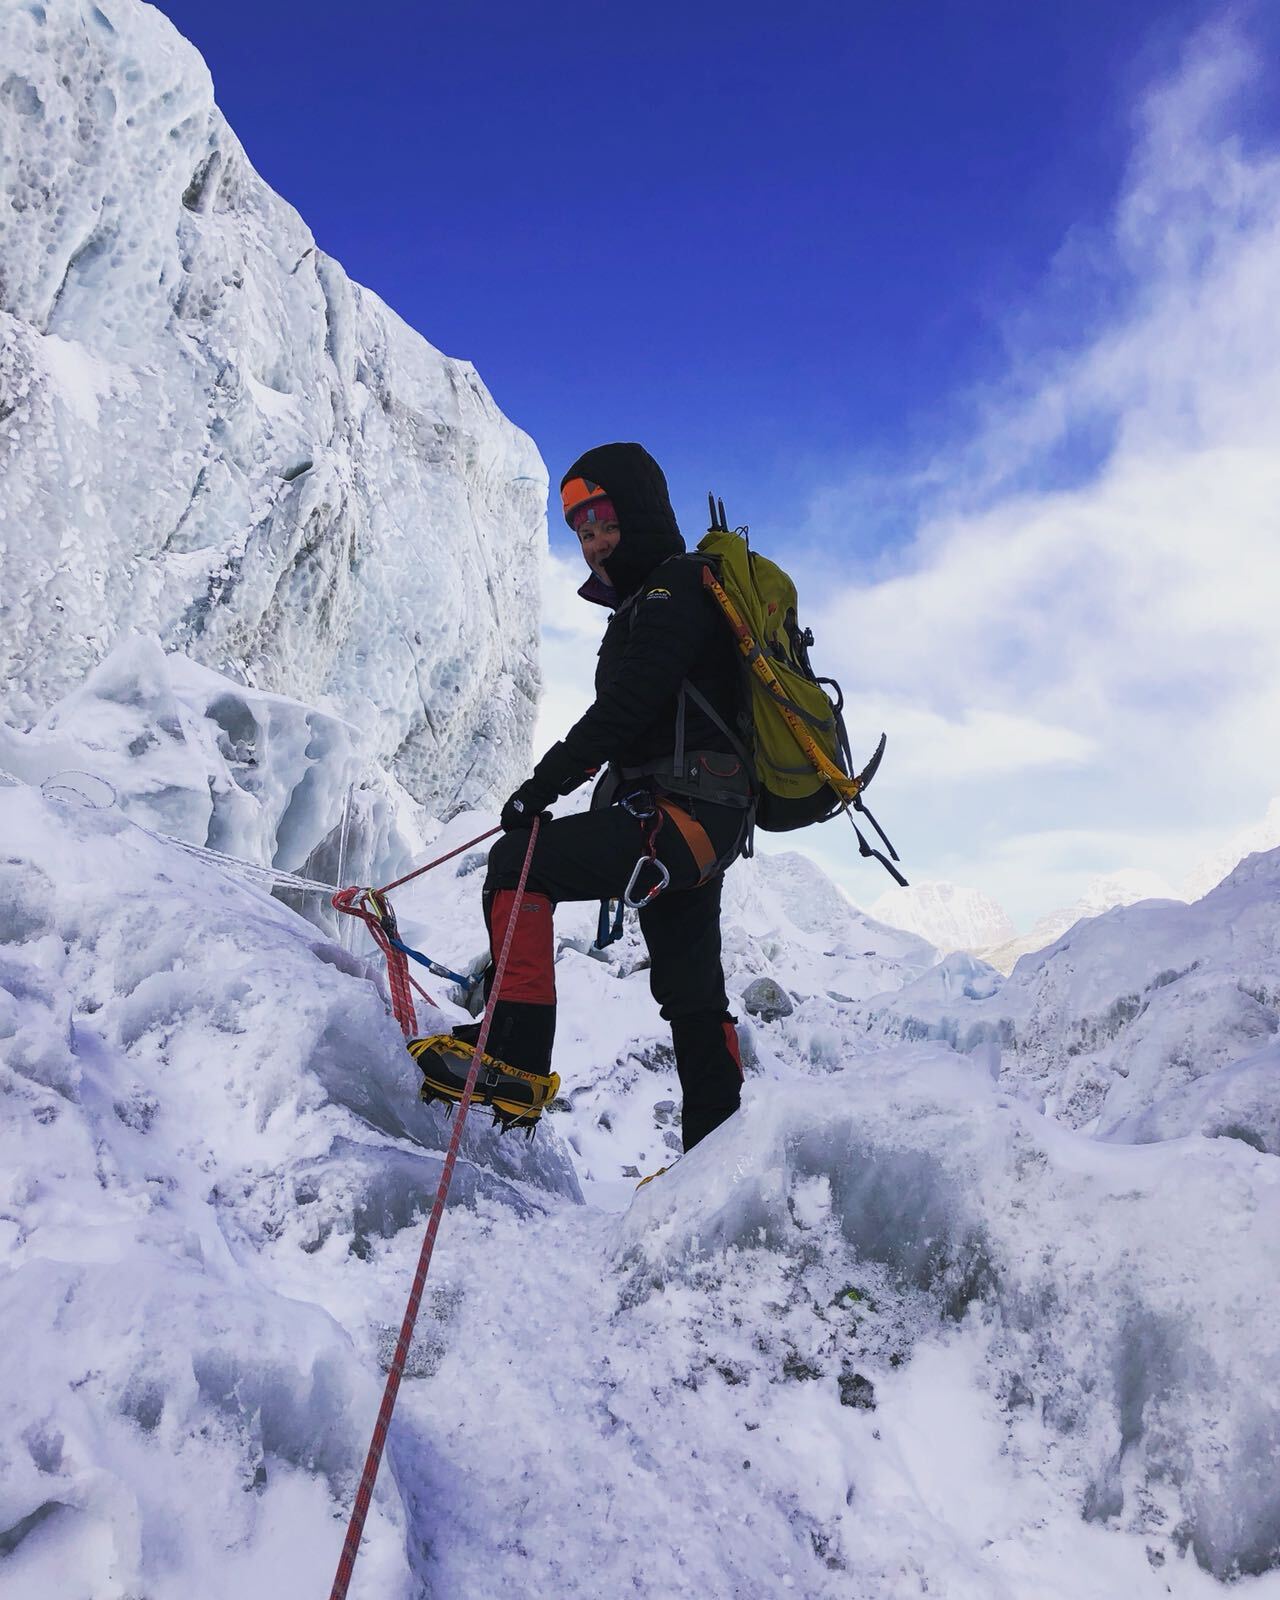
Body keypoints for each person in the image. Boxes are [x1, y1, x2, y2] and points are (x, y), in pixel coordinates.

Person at [409, 442, 753, 1152]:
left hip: (681, 815)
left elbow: (626, 707)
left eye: (604, 524)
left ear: (641, 512)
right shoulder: (661, 598)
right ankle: (717, 1164)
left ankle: (514, 1054)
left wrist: (540, 788)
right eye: (581, 532)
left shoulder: (672, 590)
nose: (593, 544)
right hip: (699, 823)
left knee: (517, 864)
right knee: (693, 1001)